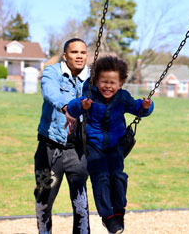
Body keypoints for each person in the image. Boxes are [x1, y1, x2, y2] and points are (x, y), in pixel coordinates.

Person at [67, 56, 154, 234]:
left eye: (113, 82)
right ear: (96, 81)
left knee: (118, 177)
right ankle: (107, 217)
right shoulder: (90, 95)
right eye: (104, 81)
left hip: (116, 144)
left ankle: (119, 212)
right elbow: (72, 108)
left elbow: (138, 108)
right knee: (101, 178)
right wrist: (82, 105)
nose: (108, 86)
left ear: (121, 83)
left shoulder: (122, 98)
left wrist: (146, 106)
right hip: (94, 144)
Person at [34, 38, 90, 234]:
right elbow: (49, 91)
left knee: (81, 203)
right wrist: (66, 106)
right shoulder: (53, 72)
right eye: (75, 52)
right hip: (50, 147)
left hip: (78, 150)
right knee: (44, 200)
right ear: (65, 56)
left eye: (83, 52)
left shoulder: (91, 78)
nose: (80, 56)